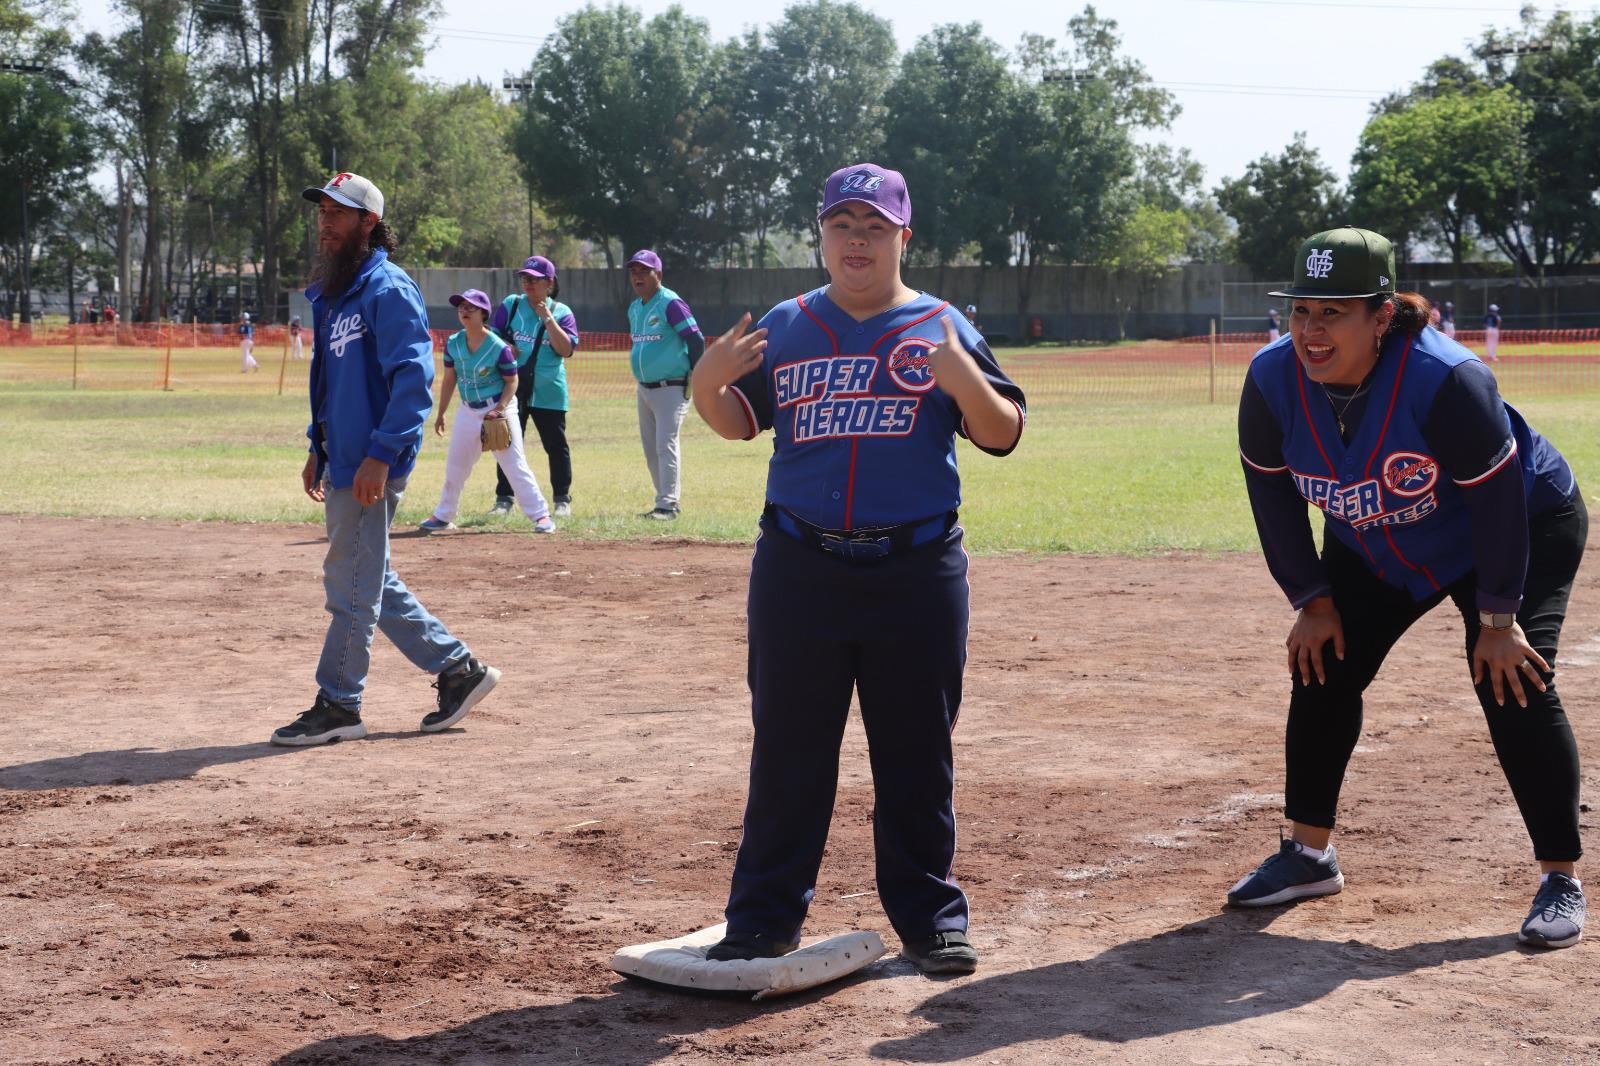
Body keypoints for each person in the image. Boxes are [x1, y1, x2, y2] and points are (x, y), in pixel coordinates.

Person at [689, 163, 1027, 974]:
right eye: (842, 225)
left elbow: (1004, 431)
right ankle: (764, 920)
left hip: (915, 570)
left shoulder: (942, 325)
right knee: (788, 750)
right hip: (799, 567)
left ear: (904, 238)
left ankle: (931, 916)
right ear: (821, 235)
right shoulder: (789, 322)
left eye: (874, 227)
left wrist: (962, 377)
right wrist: (706, 384)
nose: (857, 241)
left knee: (915, 749)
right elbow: (738, 424)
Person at [1231, 226, 1586, 949]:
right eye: (1302, 311)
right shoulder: (1270, 380)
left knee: (1511, 678)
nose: (1312, 329)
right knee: (1323, 664)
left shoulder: (1446, 379)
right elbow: (1272, 501)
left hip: (1518, 525)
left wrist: (1497, 618)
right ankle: (1307, 855)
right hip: (1376, 540)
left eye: (1334, 312)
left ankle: (1560, 877)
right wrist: (1313, 601)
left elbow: (1496, 507)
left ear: (1382, 315)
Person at [271, 171, 500, 747]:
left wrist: (380, 456)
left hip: (374, 461)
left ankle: (340, 704)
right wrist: (316, 446)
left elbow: (414, 382)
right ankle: (458, 670)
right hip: (344, 456)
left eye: (338, 213)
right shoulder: (336, 293)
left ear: (368, 223)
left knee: (348, 579)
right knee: (367, 576)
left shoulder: (386, 288)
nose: (325, 223)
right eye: (321, 212)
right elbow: (330, 383)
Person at [419, 288, 555, 535]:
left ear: (483, 313)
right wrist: (441, 413)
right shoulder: (453, 343)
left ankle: (542, 515)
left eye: (470, 307)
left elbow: (512, 381)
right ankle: (443, 515)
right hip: (468, 409)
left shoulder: (498, 346)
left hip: (498, 407)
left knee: (513, 464)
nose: (464, 311)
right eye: (461, 307)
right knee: (456, 466)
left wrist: (500, 410)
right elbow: (449, 379)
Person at [489, 256, 579, 518]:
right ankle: (504, 498)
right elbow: (492, 336)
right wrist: (506, 347)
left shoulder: (563, 312)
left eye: (534, 279)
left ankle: (562, 499)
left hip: (549, 389)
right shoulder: (512, 304)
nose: (527, 283)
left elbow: (566, 350)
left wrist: (548, 319)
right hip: (513, 387)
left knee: (556, 445)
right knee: (507, 443)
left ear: (549, 283)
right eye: (524, 278)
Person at [626, 249, 704, 520]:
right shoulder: (635, 307)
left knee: (665, 444)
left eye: (644, 271)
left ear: (658, 274)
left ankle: (668, 505)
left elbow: (696, 340)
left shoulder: (670, 303)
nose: (638, 277)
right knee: (651, 449)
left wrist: (696, 376)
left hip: (671, 387)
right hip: (645, 388)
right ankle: (662, 501)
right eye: (634, 272)